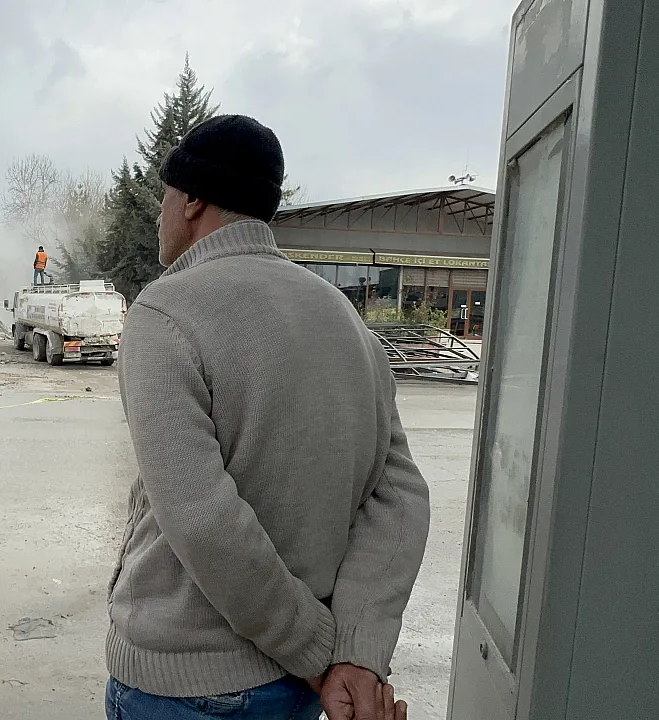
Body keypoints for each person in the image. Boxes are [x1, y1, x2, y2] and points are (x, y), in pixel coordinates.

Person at [105, 114, 430, 720]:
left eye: (164, 196)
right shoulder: (346, 320)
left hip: (186, 686)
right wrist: (354, 654)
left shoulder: (164, 314)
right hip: (295, 691)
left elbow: (203, 519)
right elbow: (399, 499)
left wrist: (315, 651)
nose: (158, 215)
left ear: (193, 199)